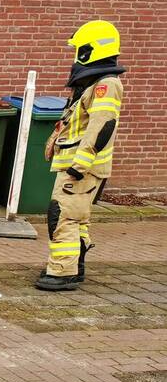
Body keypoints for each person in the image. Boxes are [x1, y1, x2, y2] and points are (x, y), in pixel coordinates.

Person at [36, 20, 125, 291]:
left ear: (91, 50)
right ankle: (74, 265)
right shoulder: (95, 83)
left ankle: (61, 272)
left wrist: (81, 162)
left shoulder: (106, 85)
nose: (75, 55)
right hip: (80, 166)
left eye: (79, 49)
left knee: (62, 215)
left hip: (82, 167)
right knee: (78, 218)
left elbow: (103, 124)